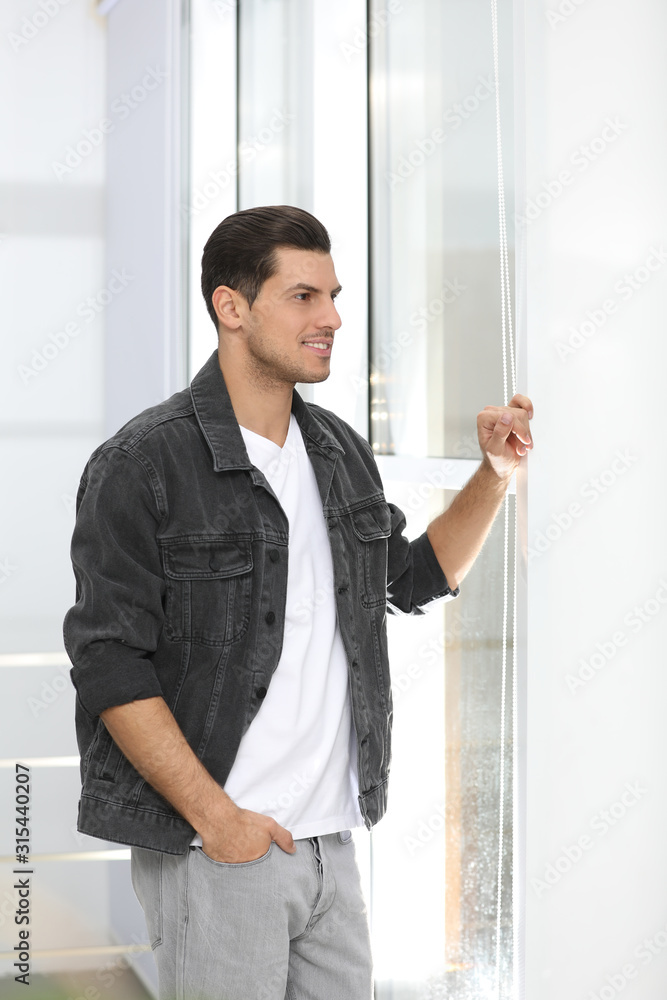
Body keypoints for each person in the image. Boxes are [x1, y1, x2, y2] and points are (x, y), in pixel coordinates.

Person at [63, 205, 533, 1000]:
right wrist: (218, 821)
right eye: (303, 297)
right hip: (218, 847)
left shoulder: (338, 451)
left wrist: (493, 475)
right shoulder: (145, 463)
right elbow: (109, 664)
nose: (332, 319)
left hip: (331, 845)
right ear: (232, 307)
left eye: (333, 297)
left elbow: (411, 578)